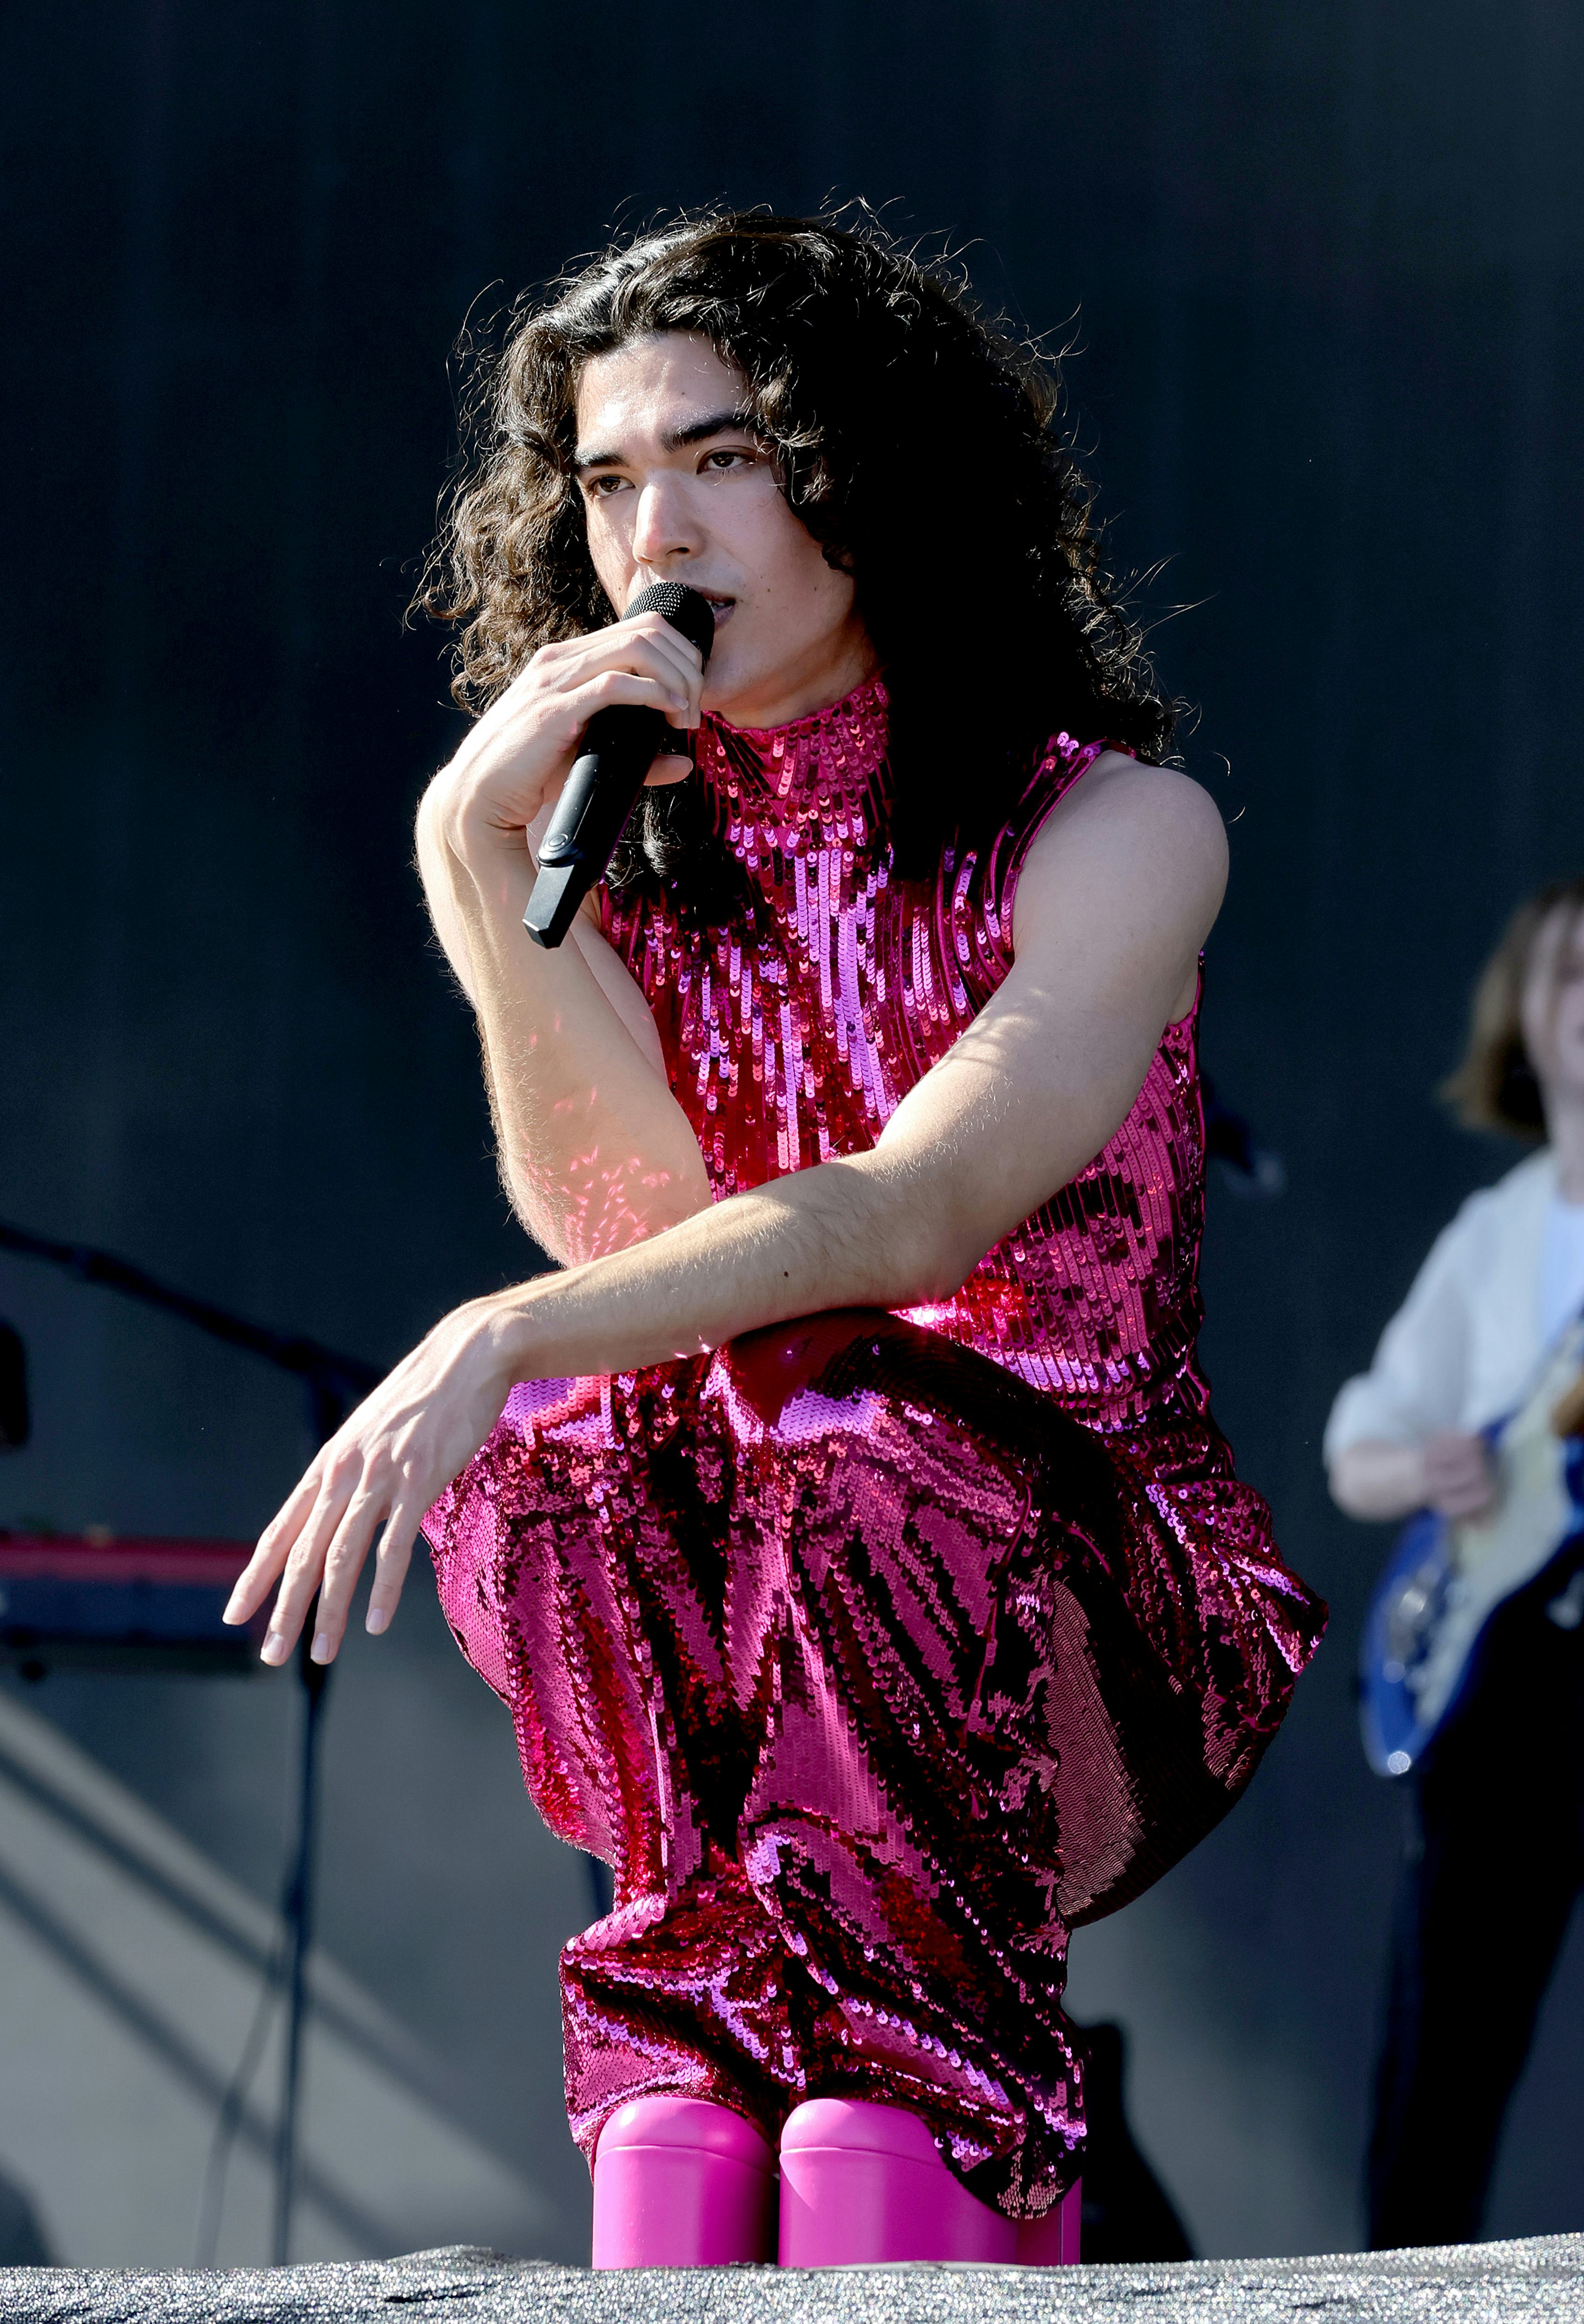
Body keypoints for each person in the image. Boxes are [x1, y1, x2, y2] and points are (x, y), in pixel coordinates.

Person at [225, 213, 1325, 2269]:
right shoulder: (637, 851)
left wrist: (486, 1321)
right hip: (767, 1554)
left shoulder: (1113, 826)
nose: (658, 530)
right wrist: (470, 874)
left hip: (1067, 1572)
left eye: (723, 458)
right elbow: (630, 1233)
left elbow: (910, 1217)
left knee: (829, 1430)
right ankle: (693, 2060)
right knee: (578, 1429)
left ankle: (929, 2112)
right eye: (612, 476)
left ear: (867, 471)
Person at [1326, 877, 1584, 2249]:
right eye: (1570, 977)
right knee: (1449, 2035)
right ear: (1526, 1019)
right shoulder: (1495, 1237)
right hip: (1507, 1677)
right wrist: (1433, 1468)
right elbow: (1358, 1443)